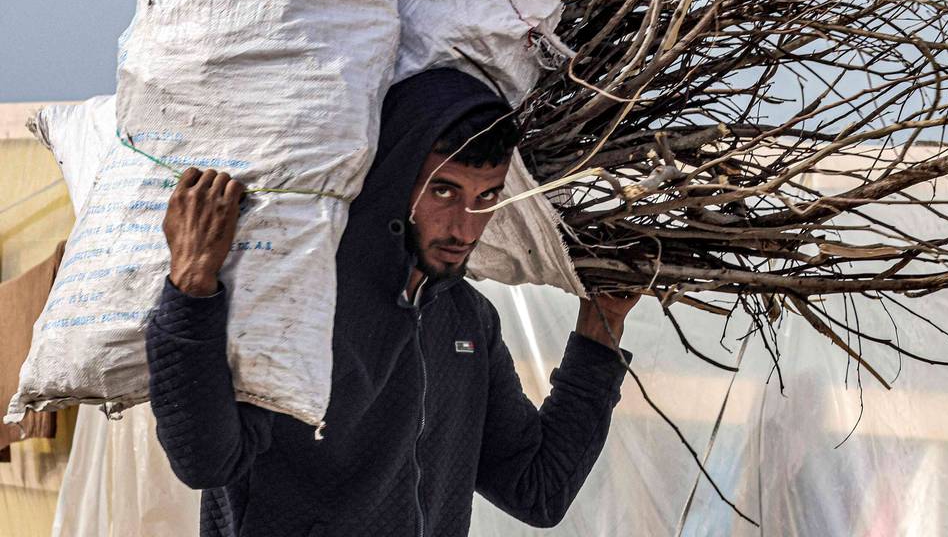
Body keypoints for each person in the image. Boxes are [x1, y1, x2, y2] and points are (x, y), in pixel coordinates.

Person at [146, 68, 639, 537]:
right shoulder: (304, 302)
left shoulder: (466, 320)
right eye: (443, 191)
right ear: (397, 179)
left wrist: (603, 329)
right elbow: (206, 462)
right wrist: (191, 287)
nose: (465, 227)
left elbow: (537, 490)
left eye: (487, 196)